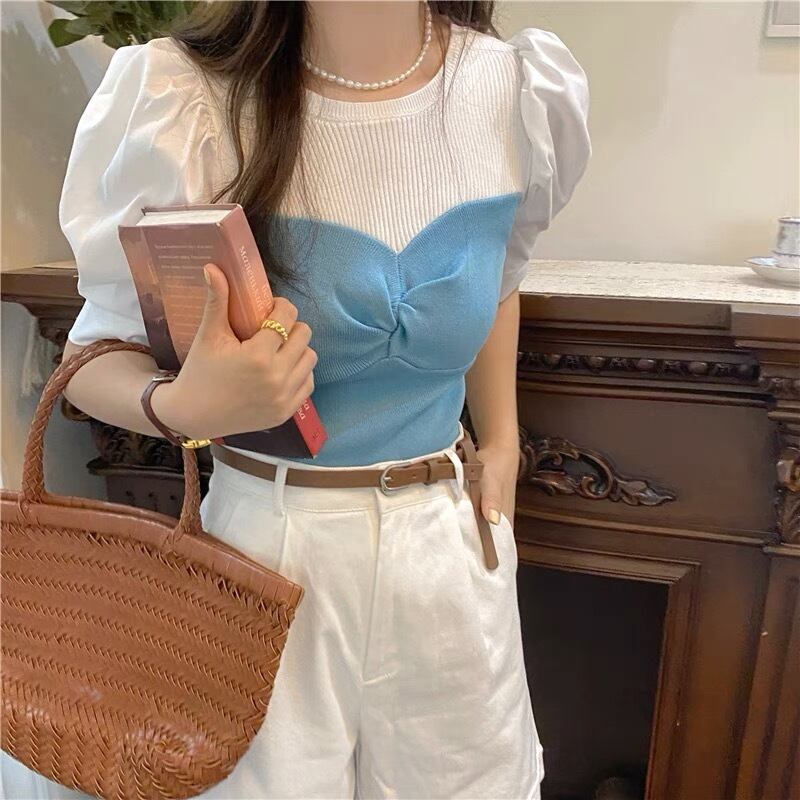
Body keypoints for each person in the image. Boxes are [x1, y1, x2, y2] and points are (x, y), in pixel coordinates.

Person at [43, 2, 590, 798]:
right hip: (267, 550)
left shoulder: (515, 87)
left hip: (447, 547)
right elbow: (92, 357)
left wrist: (502, 440)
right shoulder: (188, 98)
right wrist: (182, 407)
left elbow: (502, 275)